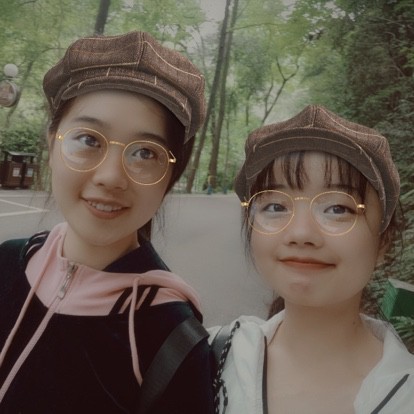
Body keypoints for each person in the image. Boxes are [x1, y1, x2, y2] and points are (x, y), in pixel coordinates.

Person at [0, 31, 214, 414]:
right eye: (88, 140)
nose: (111, 177)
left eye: (145, 152)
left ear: (171, 175)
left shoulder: (171, 338)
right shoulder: (6, 263)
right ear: (52, 143)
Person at [210, 105, 414, 414]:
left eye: (338, 208)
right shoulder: (209, 359)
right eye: (276, 206)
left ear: (383, 241)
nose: (301, 233)